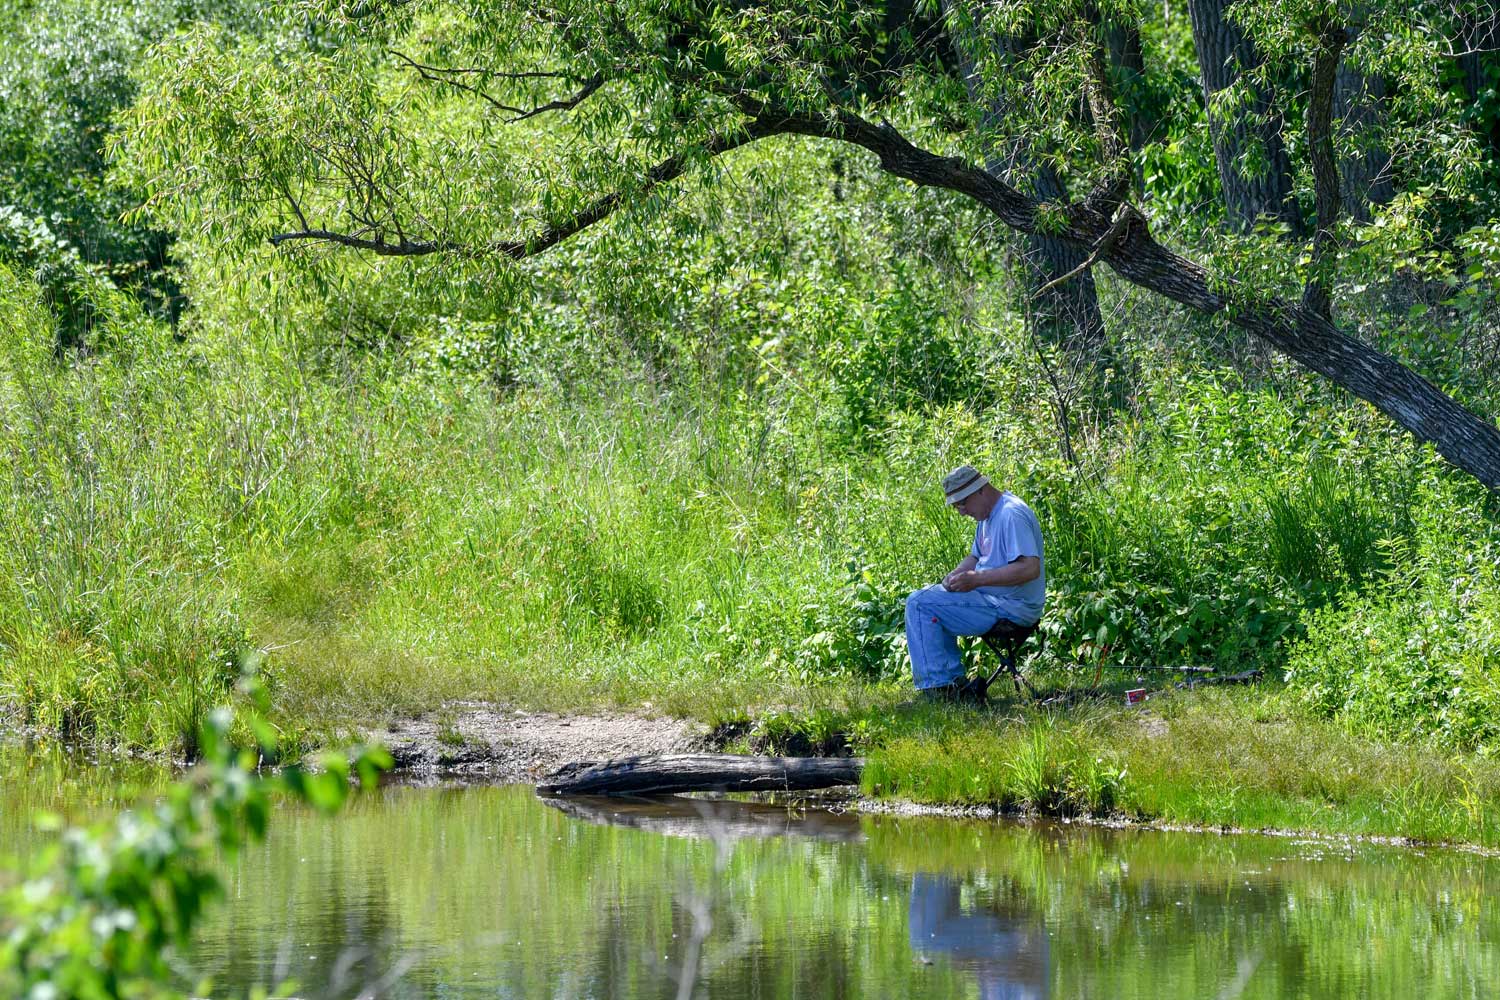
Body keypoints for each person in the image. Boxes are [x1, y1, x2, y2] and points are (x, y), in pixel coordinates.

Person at [905, 465, 1045, 700]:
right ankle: (949, 685)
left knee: (920, 604)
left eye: (962, 503)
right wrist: (956, 575)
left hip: (1012, 606)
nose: (961, 512)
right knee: (927, 599)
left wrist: (976, 579)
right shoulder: (988, 516)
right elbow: (976, 557)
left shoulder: (1011, 514)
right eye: (956, 506)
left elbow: (1030, 568)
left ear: (980, 490)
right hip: (992, 600)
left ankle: (941, 690)